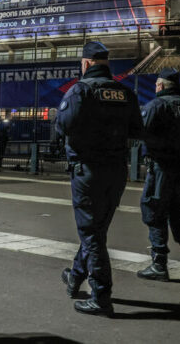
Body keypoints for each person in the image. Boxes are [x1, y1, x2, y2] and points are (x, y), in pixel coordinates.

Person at [55, 41, 144, 316]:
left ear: (86, 64)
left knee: (92, 234)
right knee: (97, 230)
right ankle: (75, 276)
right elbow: (137, 132)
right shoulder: (125, 93)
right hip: (116, 171)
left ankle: (101, 295)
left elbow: (63, 126)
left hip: (88, 171)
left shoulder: (80, 90)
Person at [136, 68, 180, 282]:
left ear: (160, 85)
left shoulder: (157, 105)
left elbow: (140, 131)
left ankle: (159, 264)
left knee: (154, 211)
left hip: (162, 168)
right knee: (174, 211)